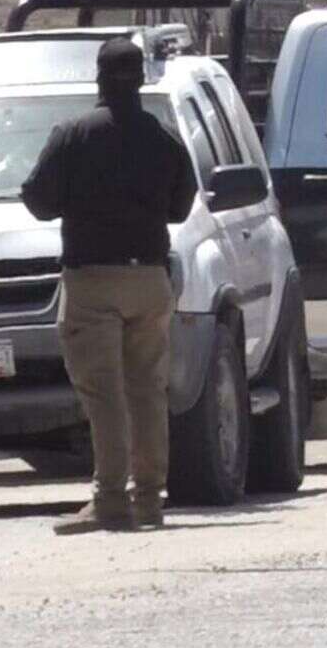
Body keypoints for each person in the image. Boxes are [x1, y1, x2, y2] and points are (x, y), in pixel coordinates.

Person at [22, 39, 197, 534]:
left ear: (97, 78)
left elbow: (38, 199)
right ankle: (148, 499)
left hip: (92, 280)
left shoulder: (74, 134)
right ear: (141, 79)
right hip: (149, 278)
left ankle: (110, 499)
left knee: (104, 394)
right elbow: (181, 208)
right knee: (147, 389)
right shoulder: (163, 139)